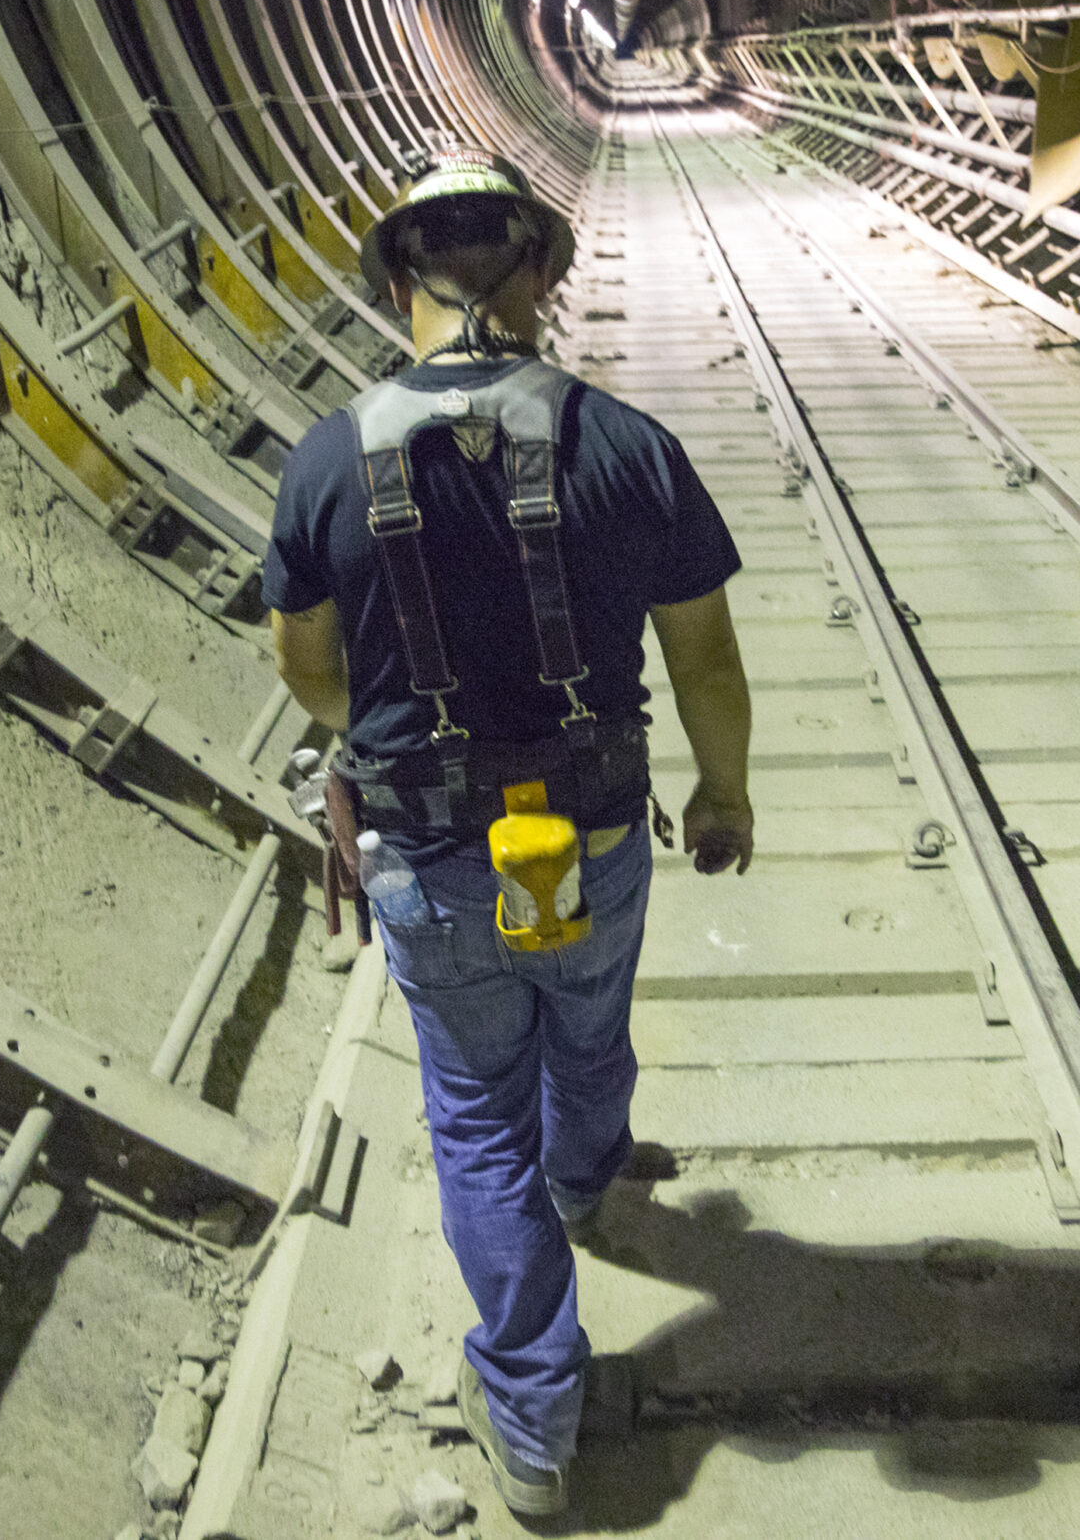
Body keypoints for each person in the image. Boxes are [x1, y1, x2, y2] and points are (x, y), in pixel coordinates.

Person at [262, 145, 752, 1520]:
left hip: (428, 856)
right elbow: (704, 660)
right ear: (537, 269)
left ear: (395, 280)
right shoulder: (625, 447)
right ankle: (589, 1181)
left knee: (477, 1117)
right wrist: (724, 793)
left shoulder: (322, 467)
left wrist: (401, 727)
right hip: (581, 837)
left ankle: (534, 1419)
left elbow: (305, 668)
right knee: (586, 1029)